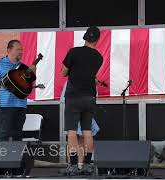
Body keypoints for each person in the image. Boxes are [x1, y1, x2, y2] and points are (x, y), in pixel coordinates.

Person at [61, 26, 103, 176]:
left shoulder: (73, 52)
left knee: (72, 131)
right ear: (97, 40)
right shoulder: (99, 57)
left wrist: (72, 70)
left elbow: (63, 72)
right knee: (87, 132)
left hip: (73, 96)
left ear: (85, 37)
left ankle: (73, 165)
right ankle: (87, 164)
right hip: (90, 97)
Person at [0, 40, 36, 141]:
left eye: (21, 49)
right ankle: (3, 156)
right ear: (9, 50)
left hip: (21, 105)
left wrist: (32, 75)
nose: (21, 52)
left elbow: (29, 87)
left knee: (18, 135)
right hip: (5, 105)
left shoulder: (23, 67)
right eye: (18, 49)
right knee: (4, 134)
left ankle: (15, 156)